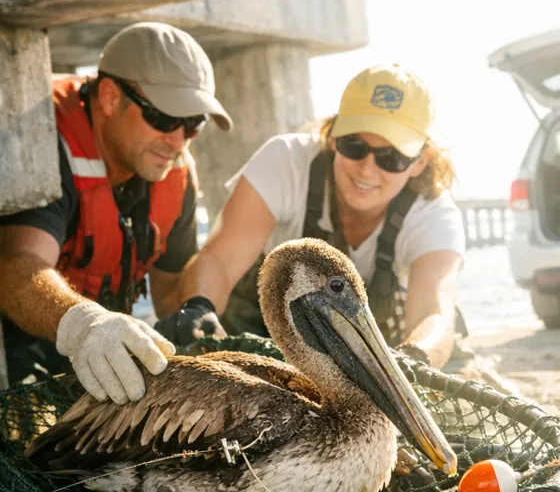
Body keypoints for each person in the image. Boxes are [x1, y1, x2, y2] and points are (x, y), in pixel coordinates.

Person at [156, 64, 466, 370]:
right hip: (261, 330)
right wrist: (199, 307)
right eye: (354, 145)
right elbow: (220, 260)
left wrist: (413, 360)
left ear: (420, 162)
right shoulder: (284, 161)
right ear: (333, 136)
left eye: (392, 157)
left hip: (374, 350)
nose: (367, 169)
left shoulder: (433, 214)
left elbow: (434, 313)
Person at [0, 22, 232, 404]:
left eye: (194, 124)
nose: (177, 141)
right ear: (109, 97)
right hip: (23, 346)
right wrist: (83, 324)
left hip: (102, 348)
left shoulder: (175, 171)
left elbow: (169, 295)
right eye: (164, 117)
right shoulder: (47, 144)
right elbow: (14, 266)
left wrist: (194, 312)